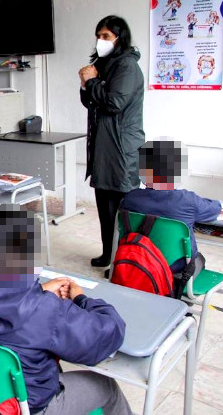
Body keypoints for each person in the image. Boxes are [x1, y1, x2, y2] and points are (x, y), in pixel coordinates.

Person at [0, 205, 131, 414]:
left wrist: (38, 291)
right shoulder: (46, 310)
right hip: (31, 406)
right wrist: (80, 297)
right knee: (107, 387)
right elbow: (106, 334)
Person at [79, 15, 145, 268]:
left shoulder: (126, 66)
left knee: (120, 209)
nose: (100, 41)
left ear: (120, 37)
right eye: (98, 36)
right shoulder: (105, 64)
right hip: (103, 145)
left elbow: (114, 103)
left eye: (106, 36)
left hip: (119, 147)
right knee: (104, 206)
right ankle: (109, 253)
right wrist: (86, 85)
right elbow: (92, 103)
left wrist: (93, 80)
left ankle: (125, 262)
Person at [120, 139, 221, 290]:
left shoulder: (130, 198)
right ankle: (176, 295)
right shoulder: (188, 200)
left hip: (138, 261)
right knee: (199, 259)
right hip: (176, 266)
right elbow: (215, 209)